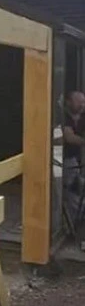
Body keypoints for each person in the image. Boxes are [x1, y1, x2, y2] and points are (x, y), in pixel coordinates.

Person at [62, 91, 85, 246]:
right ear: (69, 102)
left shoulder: (81, 118)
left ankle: (75, 222)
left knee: (76, 189)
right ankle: (69, 226)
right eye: (79, 102)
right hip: (62, 159)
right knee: (70, 192)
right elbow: (69, 138)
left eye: (83, 102)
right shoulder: (63, 117)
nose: (82, 105)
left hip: (76, 160)